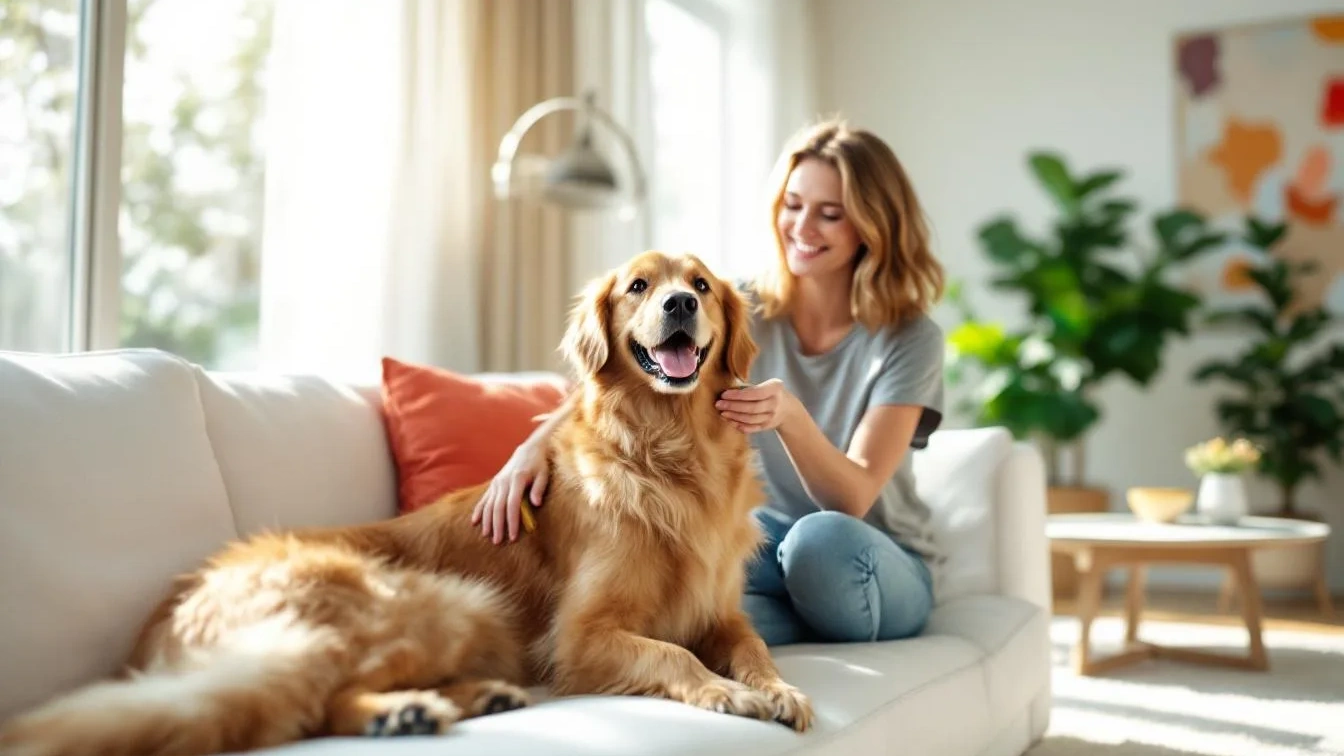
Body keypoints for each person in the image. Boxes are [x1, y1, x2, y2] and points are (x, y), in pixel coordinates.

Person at [470, 118, 947, 646]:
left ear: (872, 226)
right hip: (769, 551)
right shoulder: (736, 305)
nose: (803, 227)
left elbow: (853, 498)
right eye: (792, 204)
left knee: (819, 539)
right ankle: (773, 623)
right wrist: (533, 446)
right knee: (685, 604)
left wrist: (789, 417)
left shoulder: (909, 339)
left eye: (830, 214)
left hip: (869, 558)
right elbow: (612, 374)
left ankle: (793, 613)